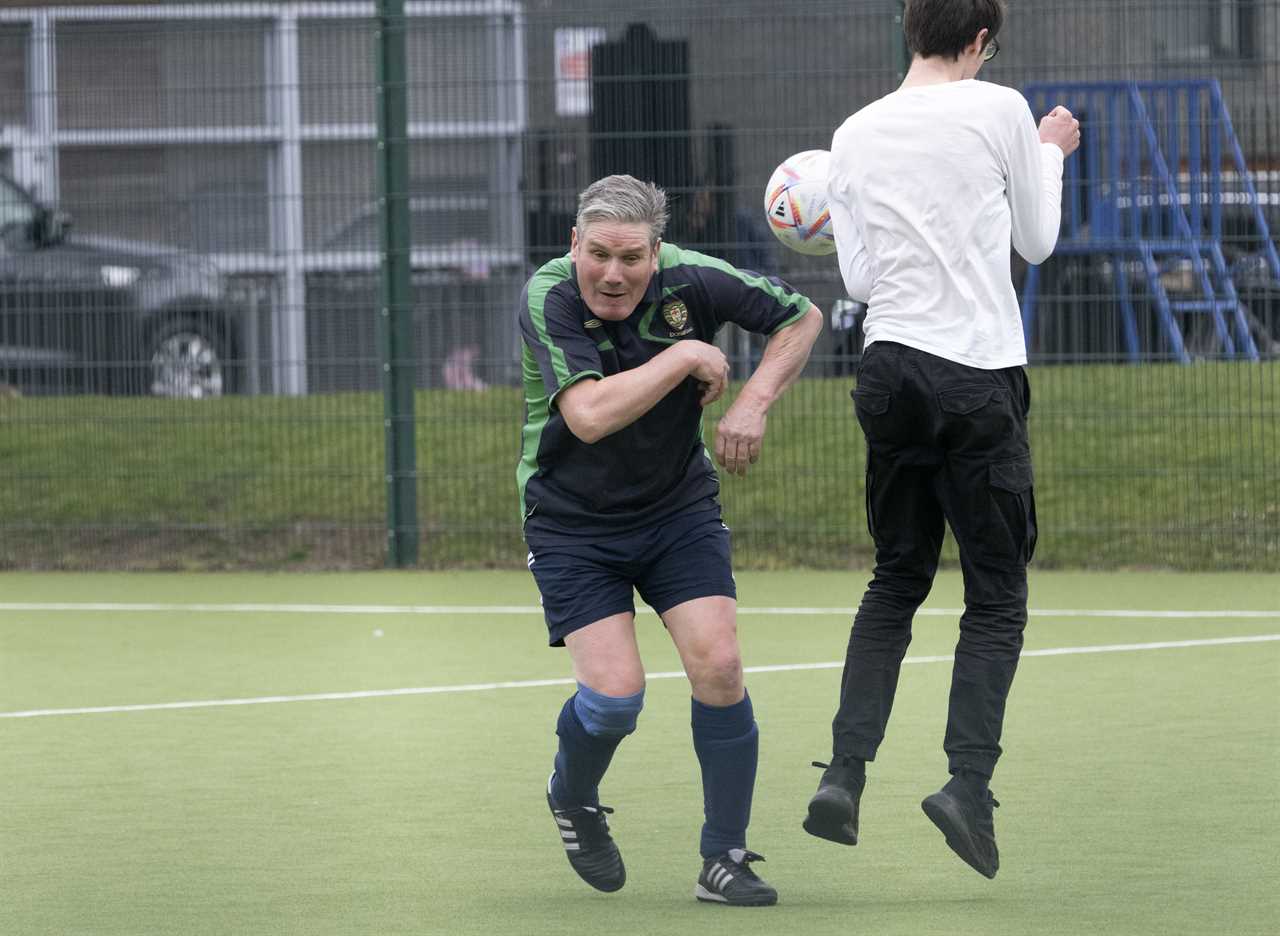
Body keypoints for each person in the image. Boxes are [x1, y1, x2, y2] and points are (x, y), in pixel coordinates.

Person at [803, 0, 1079, 880]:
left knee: (896, 578)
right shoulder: (998, 108)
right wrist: (1049, 152)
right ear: (981, 41)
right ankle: (967, 787)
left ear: (906, 31)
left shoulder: (853, 131)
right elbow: (1038, 240)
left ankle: (843, 777)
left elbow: (855, 275)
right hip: (974, 371)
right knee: (995, 596)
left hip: (886, 369)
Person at [517, 173, 822, 906]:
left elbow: (802, 316)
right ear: (574, 245)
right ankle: (573, 793)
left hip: (676, 507)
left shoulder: (696, 280)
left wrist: (752, 401)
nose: (612, 275)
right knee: (615, 699)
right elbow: (588, 416)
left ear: (658, 253)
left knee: (719, 664)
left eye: (630, 258)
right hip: (571, 520)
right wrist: (686, 358)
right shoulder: (549, 296)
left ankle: (725, 859)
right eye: (598, 255)